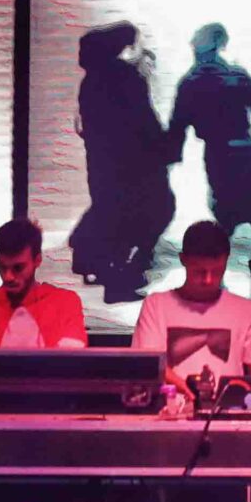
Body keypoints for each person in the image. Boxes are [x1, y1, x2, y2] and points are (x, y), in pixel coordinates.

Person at [66, 24, 176, 305]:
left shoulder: (91, 80)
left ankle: (89, 260)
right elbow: (144, 119)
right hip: (131, 164)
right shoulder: (125, 76)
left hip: (103, 165)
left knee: (110, 214)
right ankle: (118, 281)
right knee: (159, 209)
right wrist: (165, 148)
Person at [167, 25, 251, 265]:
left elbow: (177, 126)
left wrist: (169, 158)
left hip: (217, 154)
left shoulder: (189, 83)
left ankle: (217, 267)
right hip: (245, 150)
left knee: (224, 207)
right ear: (220, 46)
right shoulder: (236, 75)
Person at [132, 222, 251, 392]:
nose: (208, 280)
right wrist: (190, 392)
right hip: (171, 406)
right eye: (200, 271)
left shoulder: (245, 310)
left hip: (227, 407)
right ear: (183, 259)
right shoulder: (156, 306)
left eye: (217, 271)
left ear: (226, 260)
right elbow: (148, 365)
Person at [0, 220, 88, 349]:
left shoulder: (64, 304)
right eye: (2, 267)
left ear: (37, 260)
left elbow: (71, 360)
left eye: (18, 268)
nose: (8, 277)